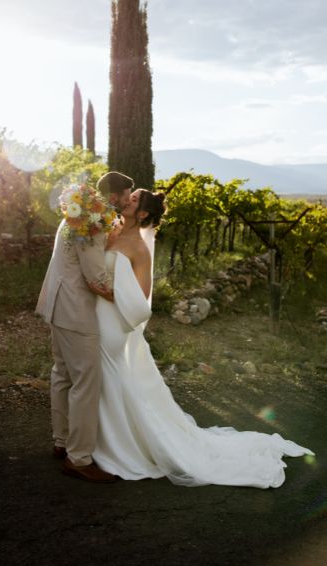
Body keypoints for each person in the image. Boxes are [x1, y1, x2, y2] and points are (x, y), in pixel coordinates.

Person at [88, 189, 312, 487]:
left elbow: (142, 301)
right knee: (98, 378)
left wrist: (109, 292)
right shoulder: (110, 229)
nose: (126, 200)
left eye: (133, 200)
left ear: (142, 213)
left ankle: (113, 447)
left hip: (114, 321)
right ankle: (92, 441)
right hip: (92, 314)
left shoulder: (140, 249)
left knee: (110, 379)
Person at [36, 171, 133, 483]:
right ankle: (79, 458)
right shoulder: (90, 222)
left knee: (62, 375)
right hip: (75, 311)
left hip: (56, 304)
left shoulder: (73, 214)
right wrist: (127, 300)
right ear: (115, 197)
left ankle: (62, 442)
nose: (129, 202)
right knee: (86, 382)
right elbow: (95, 278)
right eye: (127, 196)